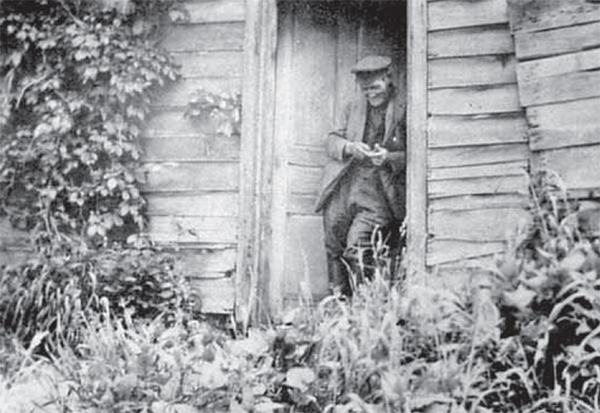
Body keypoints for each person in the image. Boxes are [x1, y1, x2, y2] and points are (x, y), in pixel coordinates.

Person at [314, 55, 406, 297]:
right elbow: (331, 140)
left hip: (378, 191)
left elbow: (416, 155)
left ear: (388, 79)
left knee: (357, 247)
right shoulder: (352, 107)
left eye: (375, 88)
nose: (370, 95)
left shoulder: (405, 108)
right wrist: (350, 147)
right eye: (365, 90)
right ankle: (338, 305)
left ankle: (365, 307)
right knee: (334, 245)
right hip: (344, 185)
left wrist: (389, 157)